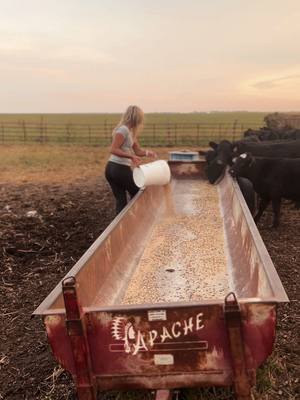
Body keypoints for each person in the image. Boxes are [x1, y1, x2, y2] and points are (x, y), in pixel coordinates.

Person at [105, 105, 157, 214]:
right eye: (140, 118)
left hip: (114, 169)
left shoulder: (131, 132)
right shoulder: (123, 130)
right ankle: (139, 219)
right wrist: (131, 156)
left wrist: (148, 153)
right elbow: (113, 149)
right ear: (136, 118)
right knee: (137, 193)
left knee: (121, 201)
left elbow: (137, 151)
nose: (141, 121)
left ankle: (120, 228)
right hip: (117, 168)